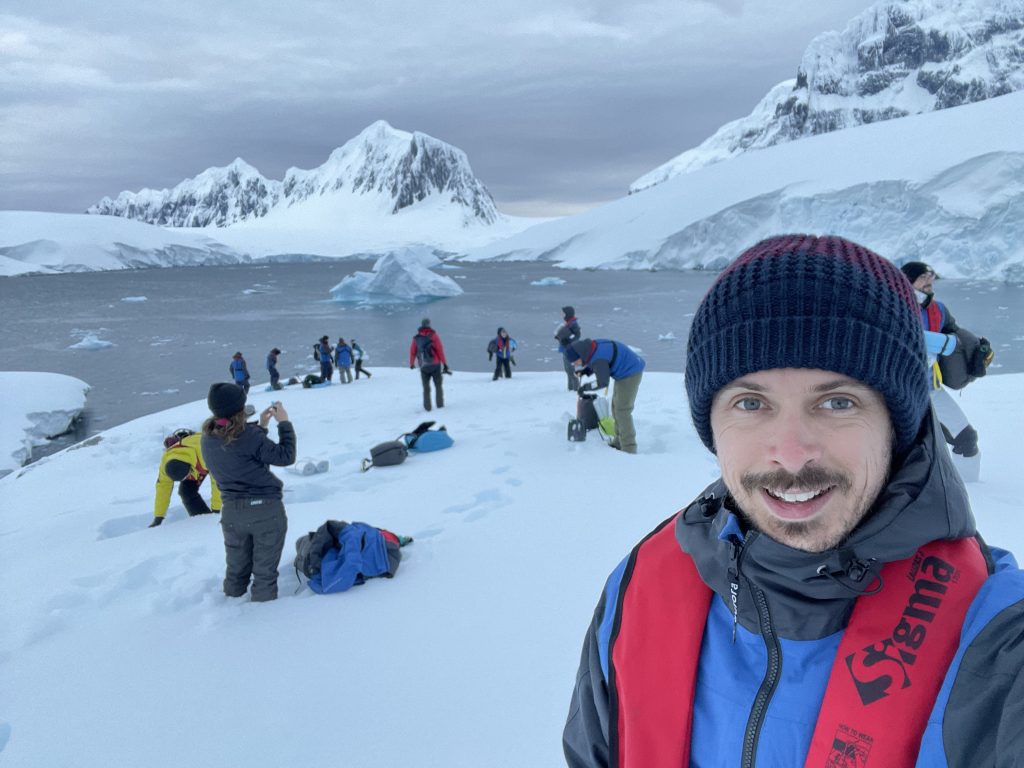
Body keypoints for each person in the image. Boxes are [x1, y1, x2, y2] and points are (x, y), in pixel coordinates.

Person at [563, 235, 1024, 768]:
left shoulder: (997, 647)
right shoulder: (637, 588)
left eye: (837, 401)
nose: (790, 453)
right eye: (751, 402)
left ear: (897, 426)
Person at [200, 383, 296, 602]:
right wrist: (284, 423)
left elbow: (239, 449)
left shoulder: (207, 438)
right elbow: (285, 456)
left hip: (232, 515)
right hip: (265, 513)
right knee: (264, 575)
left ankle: (230, 610)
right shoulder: (249, 436)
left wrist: (261, 425)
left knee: (236, 572)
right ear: (240, 408)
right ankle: (258, 624)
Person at [901, 260, 982, 482]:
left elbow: (957, 337)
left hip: (931, 389)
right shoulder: (892, 307)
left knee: (966, 440)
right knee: (902, 452)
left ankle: (972, 491)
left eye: (931, 277)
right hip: (897, 392)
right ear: (908, 281)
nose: (929, 282)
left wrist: (977, 352)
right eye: (923, 278)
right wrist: (943, 342)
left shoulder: (938, 310)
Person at [563, 337, 645, 453]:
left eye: (575, 361)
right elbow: (601, 363)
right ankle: (618, 441)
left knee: (622, 411)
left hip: (630, 373)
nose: (575, 364)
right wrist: (587, 370)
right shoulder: (591, 347)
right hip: (623, 372)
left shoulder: (598, 358)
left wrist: (585, 388)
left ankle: (629, 448)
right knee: (615, 408)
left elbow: (602, 381)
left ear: (580, 355)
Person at [148, 430, 221, 527]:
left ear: (190, 468)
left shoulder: (206, 453)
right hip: (196, 460)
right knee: (186, 491)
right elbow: (162, 488)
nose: (188, 478)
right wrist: (158, 517)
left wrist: (216, 510)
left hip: (224, 453)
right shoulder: (166, 463)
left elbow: (217, 482)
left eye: (187, 476)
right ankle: (203, 521)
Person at [409, 318, 449, 412]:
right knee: (438, 385)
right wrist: (444, 363)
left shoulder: (417, 338)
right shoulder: (434, 336)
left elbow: (412, 352)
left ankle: (427, 407)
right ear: (429, 324)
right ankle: (440, 405)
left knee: (426, 387)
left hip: (423, 366)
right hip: (435, 364)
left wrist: (411, 363)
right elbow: (440, 350)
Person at [557, 306, 582, 391]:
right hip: (565, 349)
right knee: (568, 370)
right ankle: (570, 388)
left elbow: (577, 335)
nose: (562, 314)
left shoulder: (573, 323)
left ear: (568, 314)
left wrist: (568, 341)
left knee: (571, 370)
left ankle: (576, 389)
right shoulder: (568, 322)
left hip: (570, 350)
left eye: (563, 313)